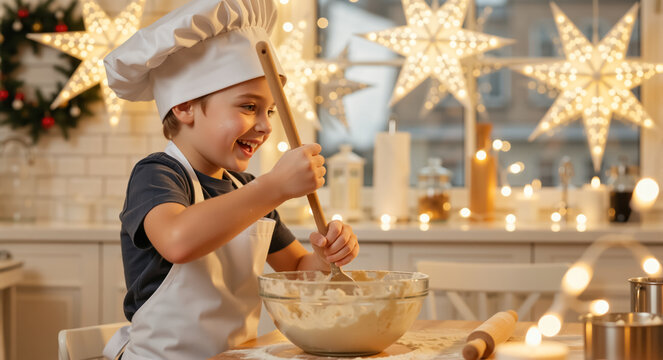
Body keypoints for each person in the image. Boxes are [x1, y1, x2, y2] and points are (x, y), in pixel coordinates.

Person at [102, 0, 359, 359]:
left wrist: (324, 255)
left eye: (269, 110)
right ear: (184, 106)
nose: (266, 125)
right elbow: (178, 241)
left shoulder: (246, 188)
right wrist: (274, 187)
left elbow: (299, 273)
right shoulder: (157, 174)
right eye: (248, 106)